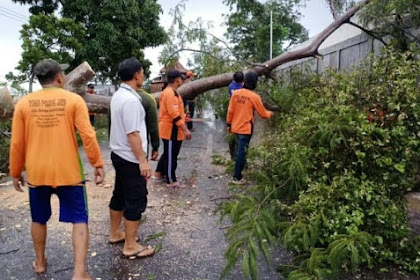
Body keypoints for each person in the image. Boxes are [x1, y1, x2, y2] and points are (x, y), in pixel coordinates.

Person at [9, 58, 105, 280]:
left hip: (37, 173)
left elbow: (17, 143)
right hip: (69, 172)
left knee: (38, 218)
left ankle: (40, 263)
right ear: (60, 77)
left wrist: (16, 172)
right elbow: (88, 134)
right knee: (79, 219)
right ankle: (79, 273)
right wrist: (97, 163)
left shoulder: (24, 103)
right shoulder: (73, 100)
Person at [108, 57, 154, 259]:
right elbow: (133, 133)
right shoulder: (131, 100)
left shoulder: (118, 95)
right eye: (142, 72)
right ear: (136, 74)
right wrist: (143, 161)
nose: (143, 75)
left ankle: (115, 233)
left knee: (119, 195)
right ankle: (130, 246)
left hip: (119, 154)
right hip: (130, 158)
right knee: (134, 199)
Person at [226, 71, 274, 184]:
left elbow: (230, 111)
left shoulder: (236, 94)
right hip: (245, 128)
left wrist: (229, 124)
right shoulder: (254, 97)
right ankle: (237, 177)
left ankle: (241, 170)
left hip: (235, 127)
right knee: (241, 152)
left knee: (240, 150)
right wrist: (270, 113)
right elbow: (263, 114)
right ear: (254, 83)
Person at [154, 70, 192, 188]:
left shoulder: (172, 92)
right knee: (171, 155)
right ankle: (171, 179)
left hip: (173, 129)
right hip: (171, 129)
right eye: (181, 78)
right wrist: (185, 129)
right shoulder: (170, 94)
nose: (182, 80)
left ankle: (159, 173)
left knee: (169, 153)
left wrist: (184, 118)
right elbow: (174, 114)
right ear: (177, 80)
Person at [137, 88, 159, 160]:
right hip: (141, 145)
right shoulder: (148, 99)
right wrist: (155, 147)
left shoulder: (117, 97)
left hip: (120, 150)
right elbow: (153, 127)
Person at [227, 71, 244, 160]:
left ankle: (233, 154)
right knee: (240, 135)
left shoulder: (231, 86)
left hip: (233, 112)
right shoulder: (243, 87)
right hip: (242, 113)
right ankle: (238, 155)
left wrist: (228, 123)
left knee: (233, 133)